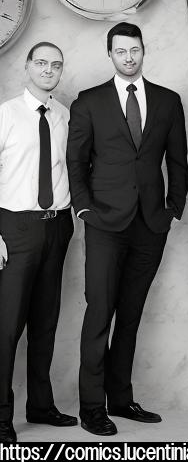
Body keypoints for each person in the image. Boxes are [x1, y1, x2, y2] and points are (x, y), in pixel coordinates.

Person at [67, 23, 188, 437]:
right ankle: (91, 407)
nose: (129, 57)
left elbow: (177, 162)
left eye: (135, 50)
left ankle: (121, 398)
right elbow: (75, 163)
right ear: (111, 54)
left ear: (143, 50)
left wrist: (172, 209)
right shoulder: (89, 102)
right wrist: (83, 209)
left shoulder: (168, 101)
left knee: (131, 316)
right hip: (103, 221)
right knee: (100, 313)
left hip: (150, 224)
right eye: (121, 51)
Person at [0, 43, 77, 443]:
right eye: (41, 63)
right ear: (28, 67)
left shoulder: (64, 115)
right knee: (7, 325)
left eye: (56, 64)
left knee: (45, 322)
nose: (49, 69)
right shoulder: (6, 113)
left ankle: (41, 406)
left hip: (57, 226)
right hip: (15, 228)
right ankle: (1, 416)